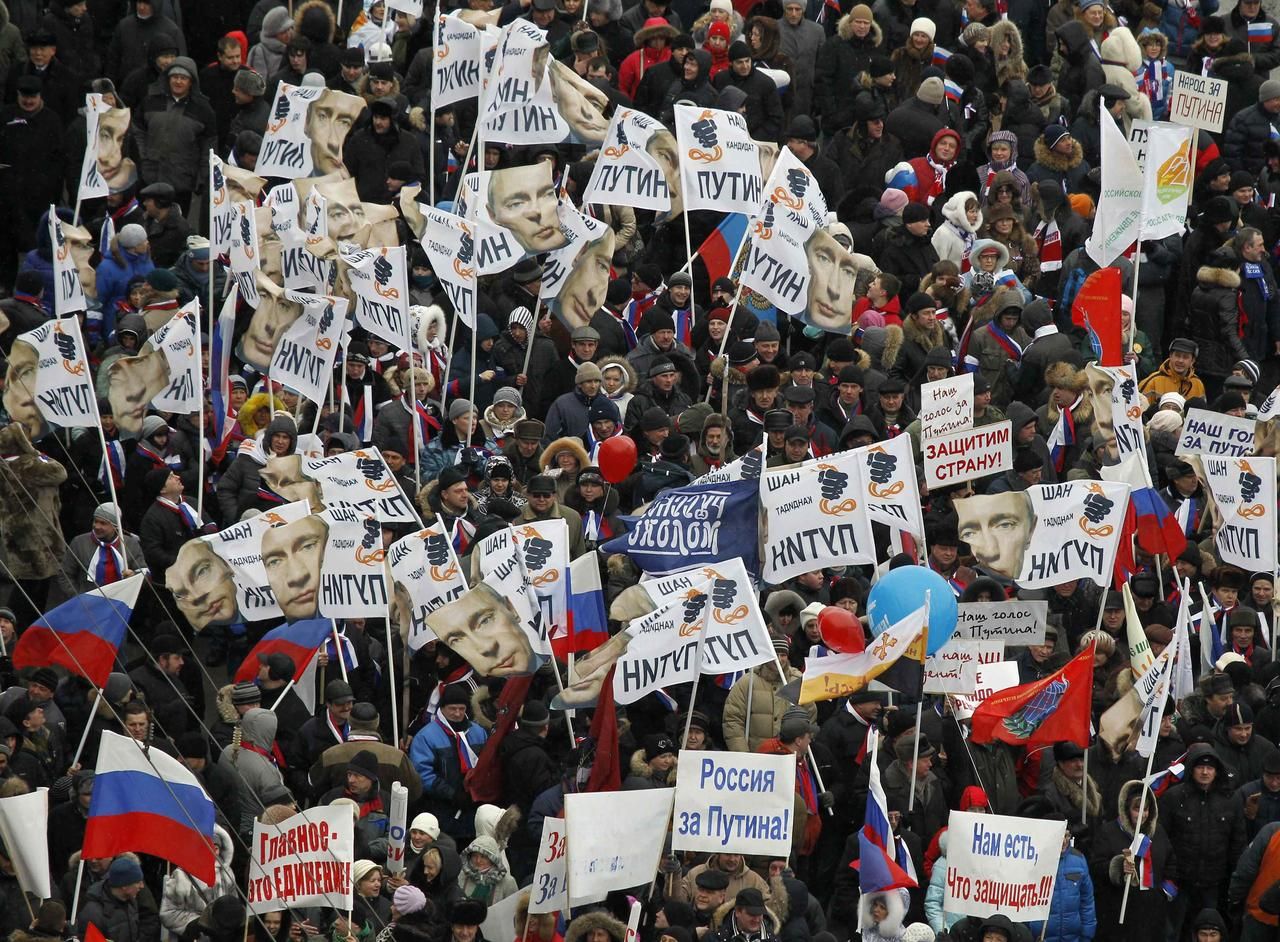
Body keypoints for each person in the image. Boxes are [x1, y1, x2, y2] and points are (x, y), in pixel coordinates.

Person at [409, 683, 488, 843]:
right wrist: (452, 794)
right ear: (442, 708)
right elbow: (422, 775)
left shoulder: (478, 732)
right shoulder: (426, 736)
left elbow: (486, 764)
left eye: (462, 708)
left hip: (473, 808)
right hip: (440, 810)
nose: (458, 713)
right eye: (452, 709)